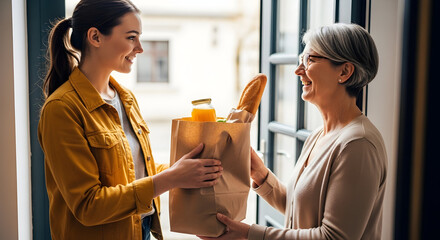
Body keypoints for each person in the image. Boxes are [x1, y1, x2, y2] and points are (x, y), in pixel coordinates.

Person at [37, 1, 223, 239]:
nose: (140, 48)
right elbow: (88, 206)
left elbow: (134, 173)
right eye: (131, 37)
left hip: (139, 230)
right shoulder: (62, 109)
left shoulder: (125, 98)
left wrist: (186, 170)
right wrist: (171, 178)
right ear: (95, 37)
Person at [199, 23, 387, 240]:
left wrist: (249, 234)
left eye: (310, 60)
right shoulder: (319, 135)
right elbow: (299, 210)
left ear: (344, 71)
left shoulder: (358, 145)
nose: (298, 70)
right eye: (300, 60)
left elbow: (333, 237)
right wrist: (261, 175)